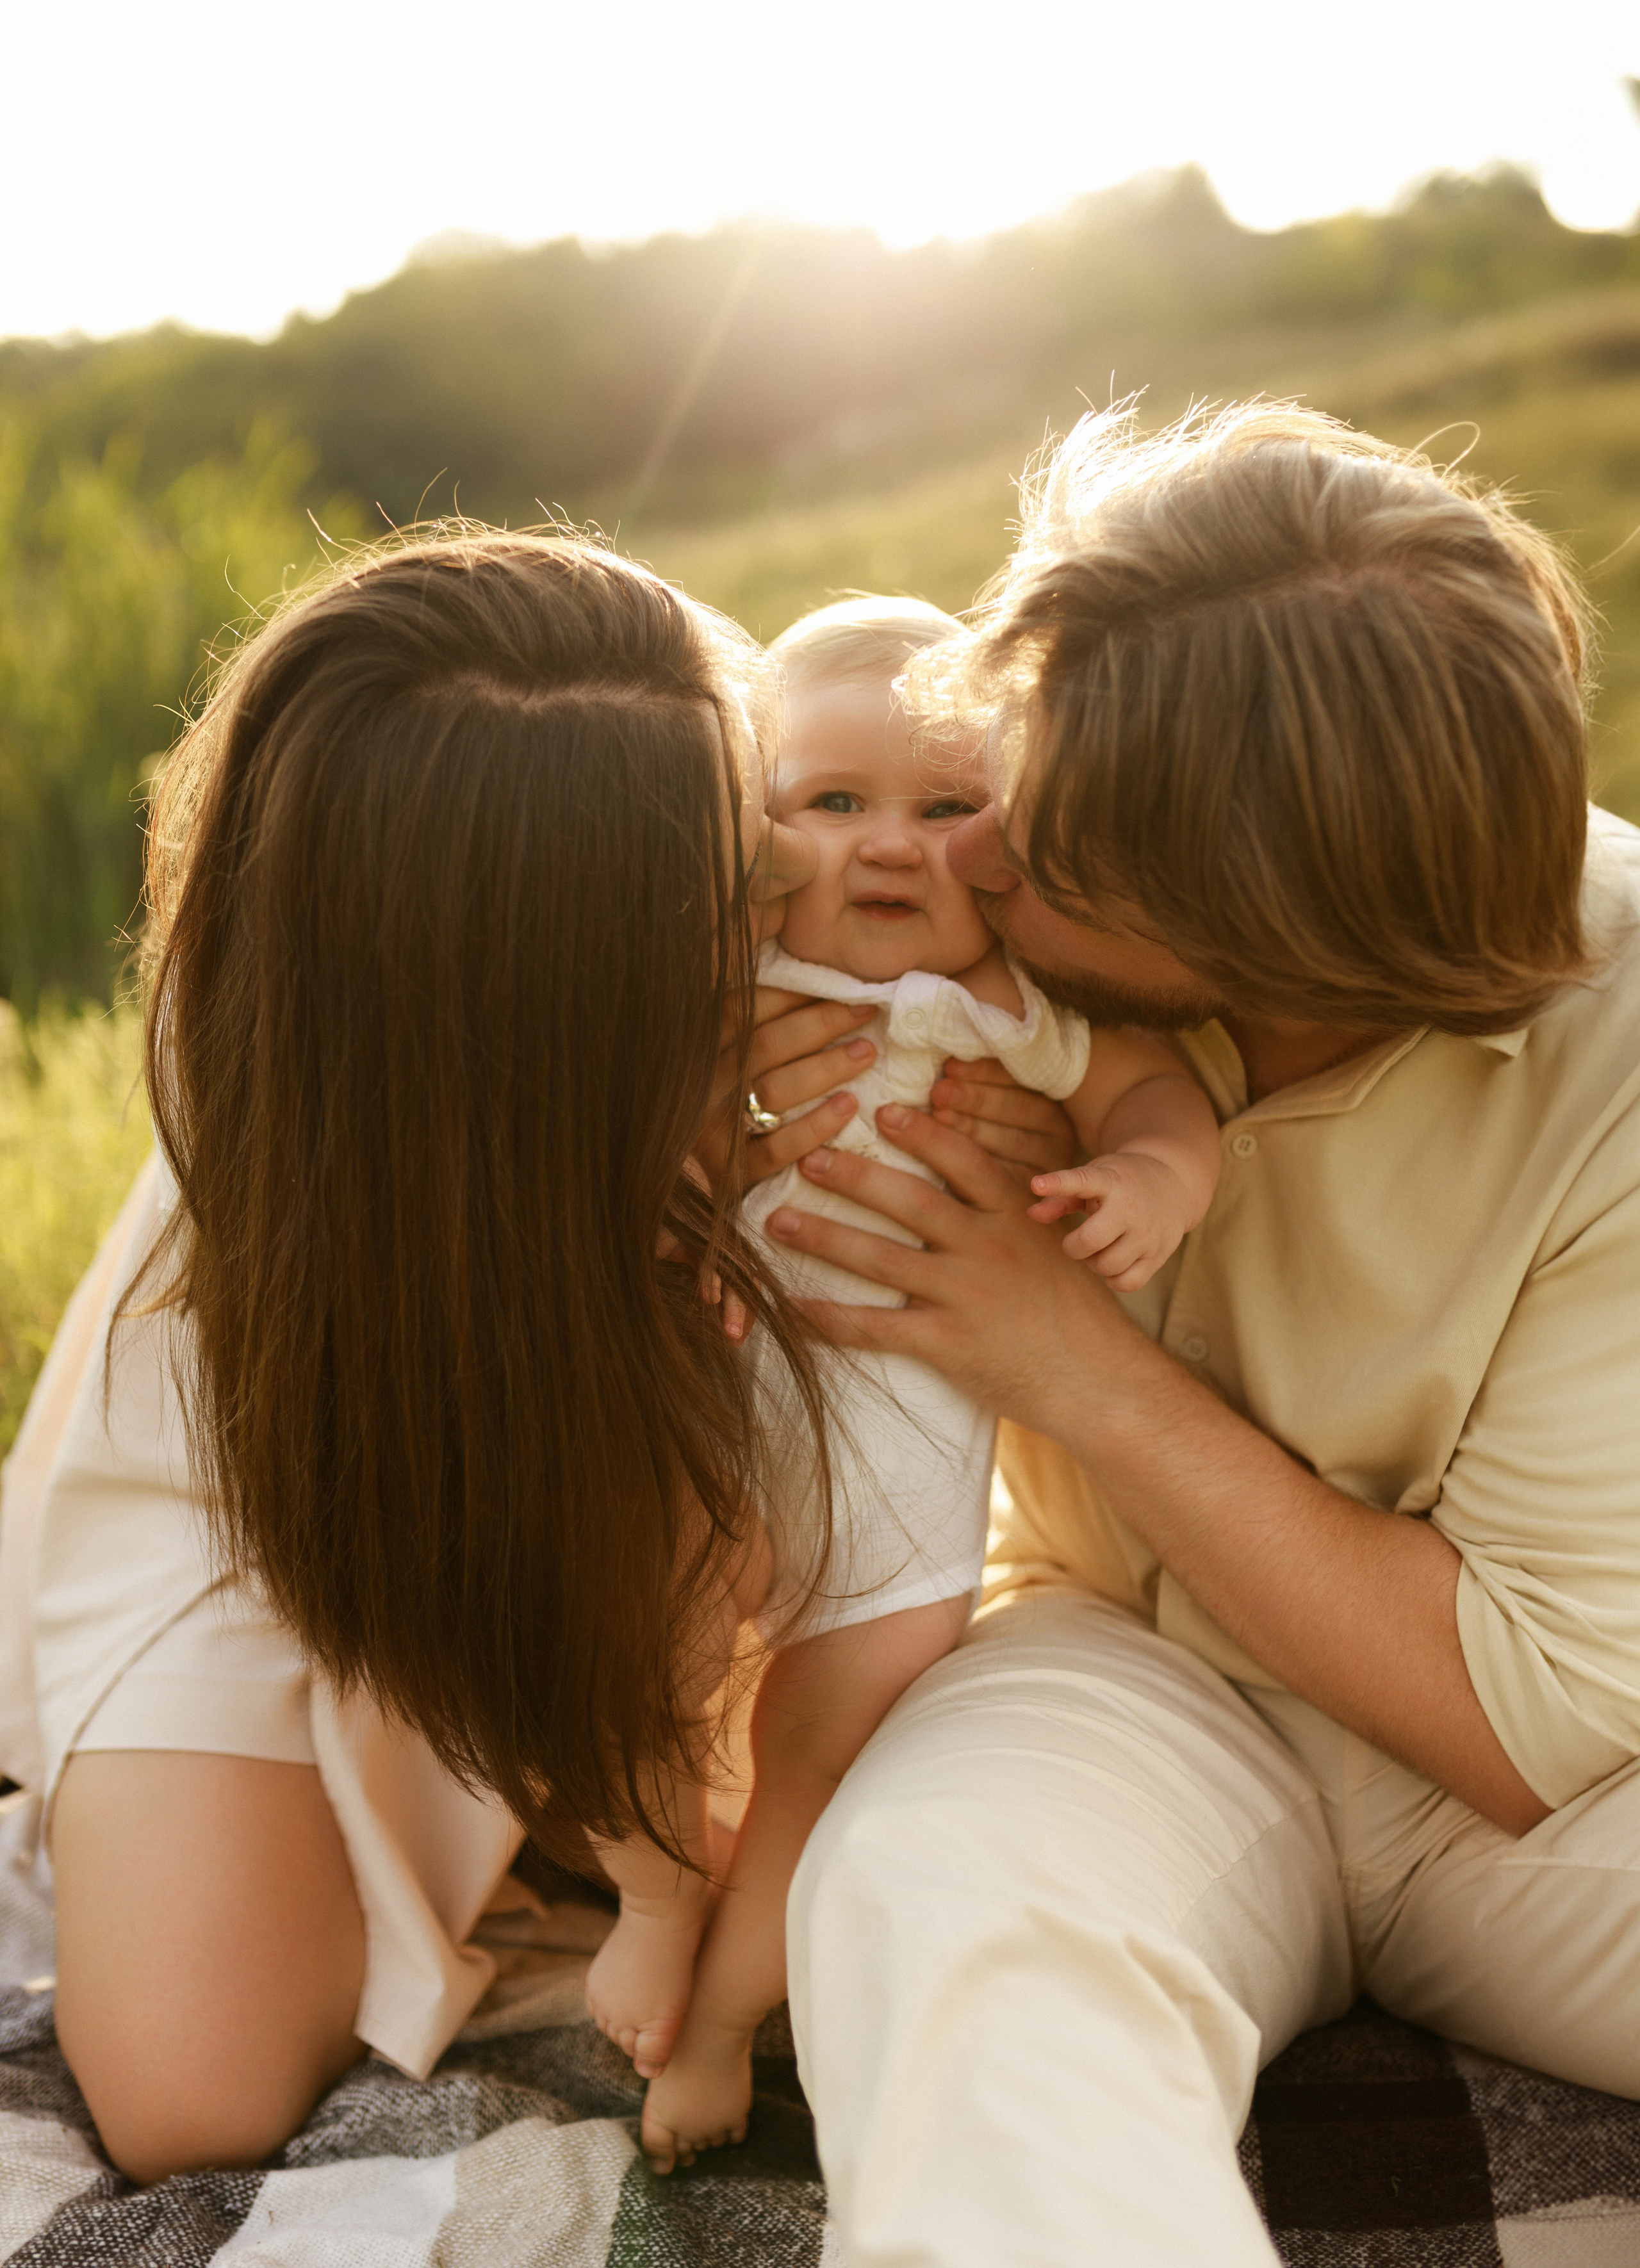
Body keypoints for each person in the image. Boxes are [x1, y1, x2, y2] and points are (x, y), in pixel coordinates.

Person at [755, 403, 1640, 2265]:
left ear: (1272, 936)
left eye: (1048, 841)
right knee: (941, 1905)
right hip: (1131, 1669)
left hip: (1568, 1786)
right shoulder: (970, 964)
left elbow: (1529, 1712)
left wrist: (1060, 1348)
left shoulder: (1619, 1034)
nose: (969, 851)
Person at [0, 528, 882, 2185]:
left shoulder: (789, 932)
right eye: (720, 916)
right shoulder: (255, 1220)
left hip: (551, 1343)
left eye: (749, 881)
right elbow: (192, 2095)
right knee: (201, 2071)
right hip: (306, 1407)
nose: (765, 940)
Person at [596, 596, 1220, 2171]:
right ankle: (658, 1889)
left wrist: (1151, 1172)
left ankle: (732, 2023)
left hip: (902, 1491)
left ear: (1010, 838)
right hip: (717, 1440)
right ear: (754, 830)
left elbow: (1154, 1092)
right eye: (833, 803)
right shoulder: (720, 978)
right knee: (633, 1656)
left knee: (816, 1758)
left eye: (945, 808)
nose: (890, 847)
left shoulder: (1021, 1006)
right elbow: (618, 1139)